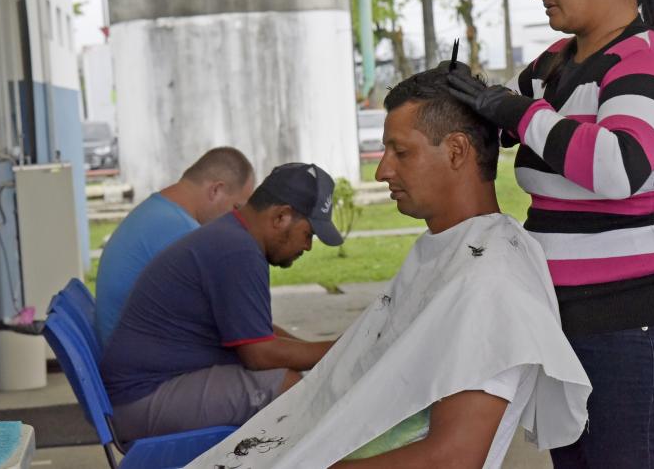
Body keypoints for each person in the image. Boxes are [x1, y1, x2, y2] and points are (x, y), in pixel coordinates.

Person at [186, 65, 590, 469]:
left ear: (456, 150)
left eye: (401, 152)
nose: (382, 171)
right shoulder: (448, 252)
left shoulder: (491, 282)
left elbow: (454, 458)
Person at [446, 0, 654, 467]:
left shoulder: (647, 60)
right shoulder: (554, 65)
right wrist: (461, 100)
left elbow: (619, 166)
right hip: (574, 331)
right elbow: (505, 124)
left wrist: (515, 111)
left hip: (648, 335)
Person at [99, 163, 343, 442]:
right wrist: (343, 349)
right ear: (281, 217)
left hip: (144, 391)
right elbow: (260, 354)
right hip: (140, 399)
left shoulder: (233, 235)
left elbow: (258, 332)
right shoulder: (237, 251)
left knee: (287, 378)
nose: (308, 246)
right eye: (309, 234)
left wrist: (321, 353)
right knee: (286, 387)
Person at [95, 146, 255, 345]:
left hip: (125, 345)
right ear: (216, 190)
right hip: (136, 355)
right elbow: (225, 320)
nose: (236, 219)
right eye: (236, 207)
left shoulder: (158, 211)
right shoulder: (182, 232)